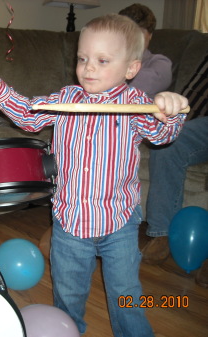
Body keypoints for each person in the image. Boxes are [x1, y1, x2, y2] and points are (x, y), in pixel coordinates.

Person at [0, 14, 188, 337]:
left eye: (102, 61)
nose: (89, 68)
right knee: (68, 294)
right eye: (83, 59)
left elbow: (161, 135)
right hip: (70, 220)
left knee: (125, 294)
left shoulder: (135, 104)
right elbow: (29, 115)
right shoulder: (65, 99)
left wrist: (170, 109)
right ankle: (69, 330)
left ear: (131, 69)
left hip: (119, 219)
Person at [120, 4, 208, 288]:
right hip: (199, 124)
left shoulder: (157, 63)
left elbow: (133, 91)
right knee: (171, 143)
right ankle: (160, 231)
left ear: (149, 37)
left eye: (138, 34)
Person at [119, 3, 172, 98]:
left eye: (139, 33)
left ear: (150, 35)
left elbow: (147, 82)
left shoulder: (160, 62)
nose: (132, 38)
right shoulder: (109, 58)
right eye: (126, 32)